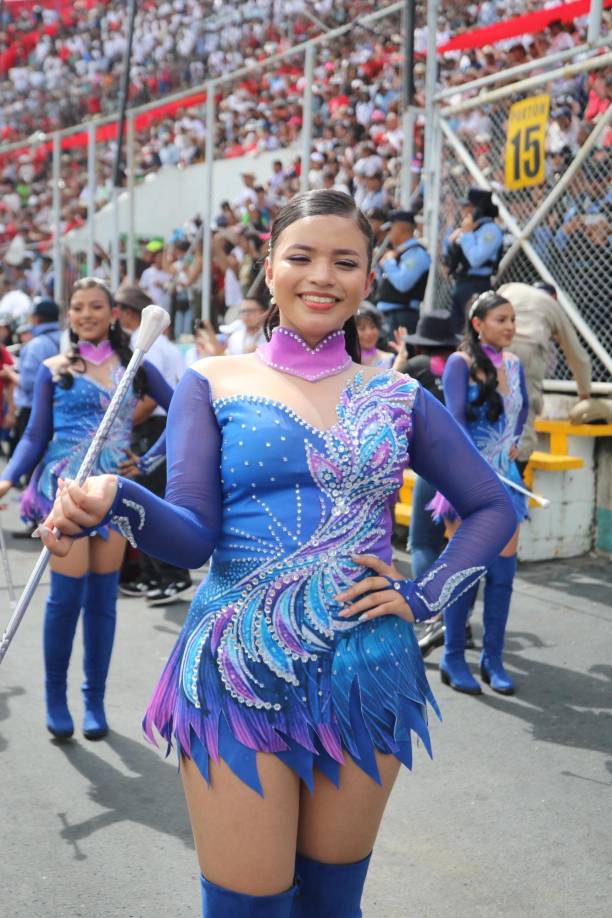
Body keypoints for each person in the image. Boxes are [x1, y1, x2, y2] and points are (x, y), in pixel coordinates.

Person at [39, 191, 515, 916]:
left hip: (368, 674)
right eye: (302, 256)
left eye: (345, 261)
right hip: (236, 669)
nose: (322, 275)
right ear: (269, 267)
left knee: (331, 907)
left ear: (366, 278)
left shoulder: (398, 395)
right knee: (245, 909)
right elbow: (194, 535)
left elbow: (492, 506)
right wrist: (118, 500)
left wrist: (424, 595)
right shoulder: (213, 381)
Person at [0, 278, 174, 741]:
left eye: (96, 306)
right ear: (70, 315)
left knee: (102, 601)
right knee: (64, 598)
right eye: (78, 307)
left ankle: (93, 698)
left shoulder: (135, 364)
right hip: (65, 493)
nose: (86, 314)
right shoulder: (57, 369)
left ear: (112, 312)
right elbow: (35, 434)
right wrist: (7, 478)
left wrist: (150, 459)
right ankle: (56, 697)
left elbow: (183, 412)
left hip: (112, 495)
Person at [430, 291, 528, 697]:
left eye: (512, 319)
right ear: (478, 323)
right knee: (465, 573)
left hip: (508, 478)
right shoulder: (460, 363)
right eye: (501, 319)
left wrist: (514, 443)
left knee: (503, 575)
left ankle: (493, 658)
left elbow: (520, 412)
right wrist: (474, 473)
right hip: (469, 481)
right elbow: (453, 423)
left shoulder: (515, 363)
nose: (509, 326)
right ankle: (454, 657)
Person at [115, 284, 191, 605]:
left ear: (129, 313)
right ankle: (152, 575)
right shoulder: (145, 342)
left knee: (151, 503)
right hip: (150, 427)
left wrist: (118, 428)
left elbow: (150, 398)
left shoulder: (150, 344)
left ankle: (174, 577)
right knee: (140, 503)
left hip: (157, 427)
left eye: (118, 312)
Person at [393, 311, 462, 657]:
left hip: (431, 468)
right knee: (460, 546)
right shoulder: (463, 366)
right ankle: (458, 617)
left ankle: (433, 615)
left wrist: (400, 360)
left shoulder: (416, 365)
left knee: (422, 543)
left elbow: (381, 399)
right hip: (467, 467)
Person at [497, 281, 592, 469]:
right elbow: (577, 355)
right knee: (525, 409)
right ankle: (517, 467)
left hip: (497, 344)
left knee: (495, 402)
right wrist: (584, 393)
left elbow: (489, 307)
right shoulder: (552, 305)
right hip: (529, 351)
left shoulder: (511, 287)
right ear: (555, 297)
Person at [8, 298, 61, 461]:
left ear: (37, 318)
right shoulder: (66, 339)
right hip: (59, 408)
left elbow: (28, 384)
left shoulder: (35, 345)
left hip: (34, 411)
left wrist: (9, 374)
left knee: (33, 461)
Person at [446, 188, 504, 334]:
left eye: (467, 207)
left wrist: (466, 234)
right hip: (461, 283)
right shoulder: (470, 229)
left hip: (477, 285)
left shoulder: (490, 230)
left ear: (477, 209)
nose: (463, 210)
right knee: (456, 330)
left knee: (472, 331)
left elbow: (476, 259)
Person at [375, 210, 430, 335]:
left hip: (402, 316)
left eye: (390, 229)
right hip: (390, 315)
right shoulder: (401, 252)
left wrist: (388, 262)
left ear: (400, 229)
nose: (387, 233)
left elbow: (403, 283)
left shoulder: (416, 253)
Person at [355, 301, 393, 368]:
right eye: (362, 328)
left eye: (373, 327)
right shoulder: (346, 362)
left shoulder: (390, 359)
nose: (369, 333)